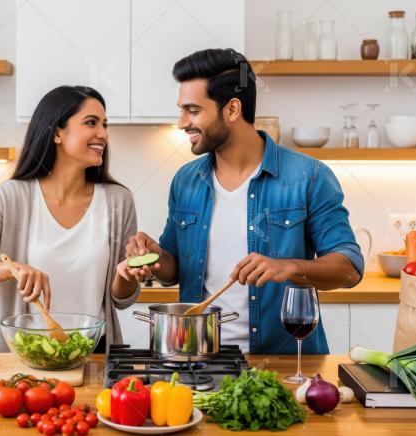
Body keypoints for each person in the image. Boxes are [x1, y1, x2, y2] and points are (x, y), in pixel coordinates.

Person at [123, 49, 364, 354]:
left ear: (232, 109)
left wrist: (288, 267)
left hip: (282, 364)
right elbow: (173, 272)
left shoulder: (308, 176)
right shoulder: (186, 181)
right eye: (181, 110)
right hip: (200, 359)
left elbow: (349, 268)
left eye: (193, 110)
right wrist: (156, 255)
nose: (182, 122)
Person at [0, 86, 140, 353]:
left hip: (95, 355)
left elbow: (122, 299)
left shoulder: (118, 201)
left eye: (105, 124)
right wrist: (12, 269)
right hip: (25, 355)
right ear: (58, 132)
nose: (103, 134)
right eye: (91, 123)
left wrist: (127, 274)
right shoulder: (11, 197)